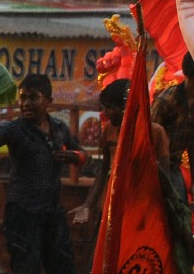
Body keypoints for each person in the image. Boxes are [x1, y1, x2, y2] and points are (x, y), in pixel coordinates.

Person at [0, 74, 87, 274]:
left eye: (33, 97)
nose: (26, 103)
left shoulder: (59, 129)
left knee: (64, 271)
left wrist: (72, 156)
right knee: (27, 272)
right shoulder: (15, 128)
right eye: (22, 97)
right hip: (22, 212)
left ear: (49, 101)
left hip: (52, 211)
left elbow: (83, 156)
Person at [71, 79, 170, 226]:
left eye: (109, 108)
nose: (105, 113)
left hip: (142, 209)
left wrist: (156, 212)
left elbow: (164, 177)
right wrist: (87, 205)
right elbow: (104, 172)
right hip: (111, 207)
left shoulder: (155, 132)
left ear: (127, 107)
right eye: (104, 107)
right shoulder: (109, 131)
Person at [151, 52, 194, 206]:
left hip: (174, 170)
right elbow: (149, 139)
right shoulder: (166, 100)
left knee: (180, 220)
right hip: (155, 171)